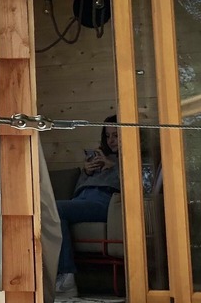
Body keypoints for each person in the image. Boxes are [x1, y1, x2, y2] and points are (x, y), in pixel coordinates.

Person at [55, 115, 120, 298]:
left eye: (116, 135)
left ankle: (67, 277)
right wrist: (86, 172)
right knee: (48, 210)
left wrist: (113, 166)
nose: (111, 140)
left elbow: (136, 186)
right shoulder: (100, 156)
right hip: (82, 199)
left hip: (103, 202)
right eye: (108, 136)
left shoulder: (130, 159)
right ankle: (58, 277)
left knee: (55, 208)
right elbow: (78, 189)